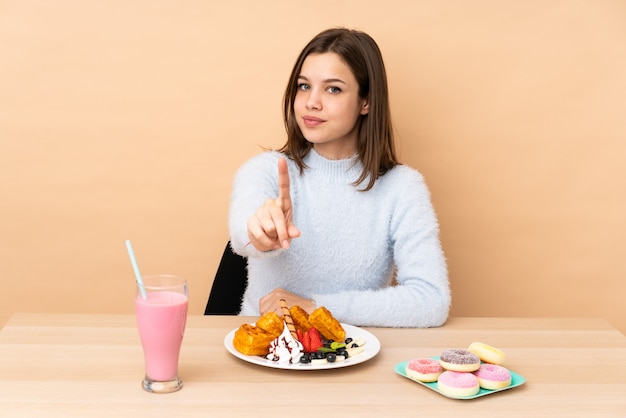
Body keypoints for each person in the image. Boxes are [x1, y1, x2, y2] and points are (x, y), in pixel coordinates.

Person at [228, 27, 450, 327]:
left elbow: (431, 302)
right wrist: (261, 233)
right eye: (304, 86)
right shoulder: (266, 170)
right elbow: (244, 234)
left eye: (333, 89)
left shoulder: (403, 187)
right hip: (266, 357)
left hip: (354, 355)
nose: (311, 102)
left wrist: (315, 308)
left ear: (366, 101)